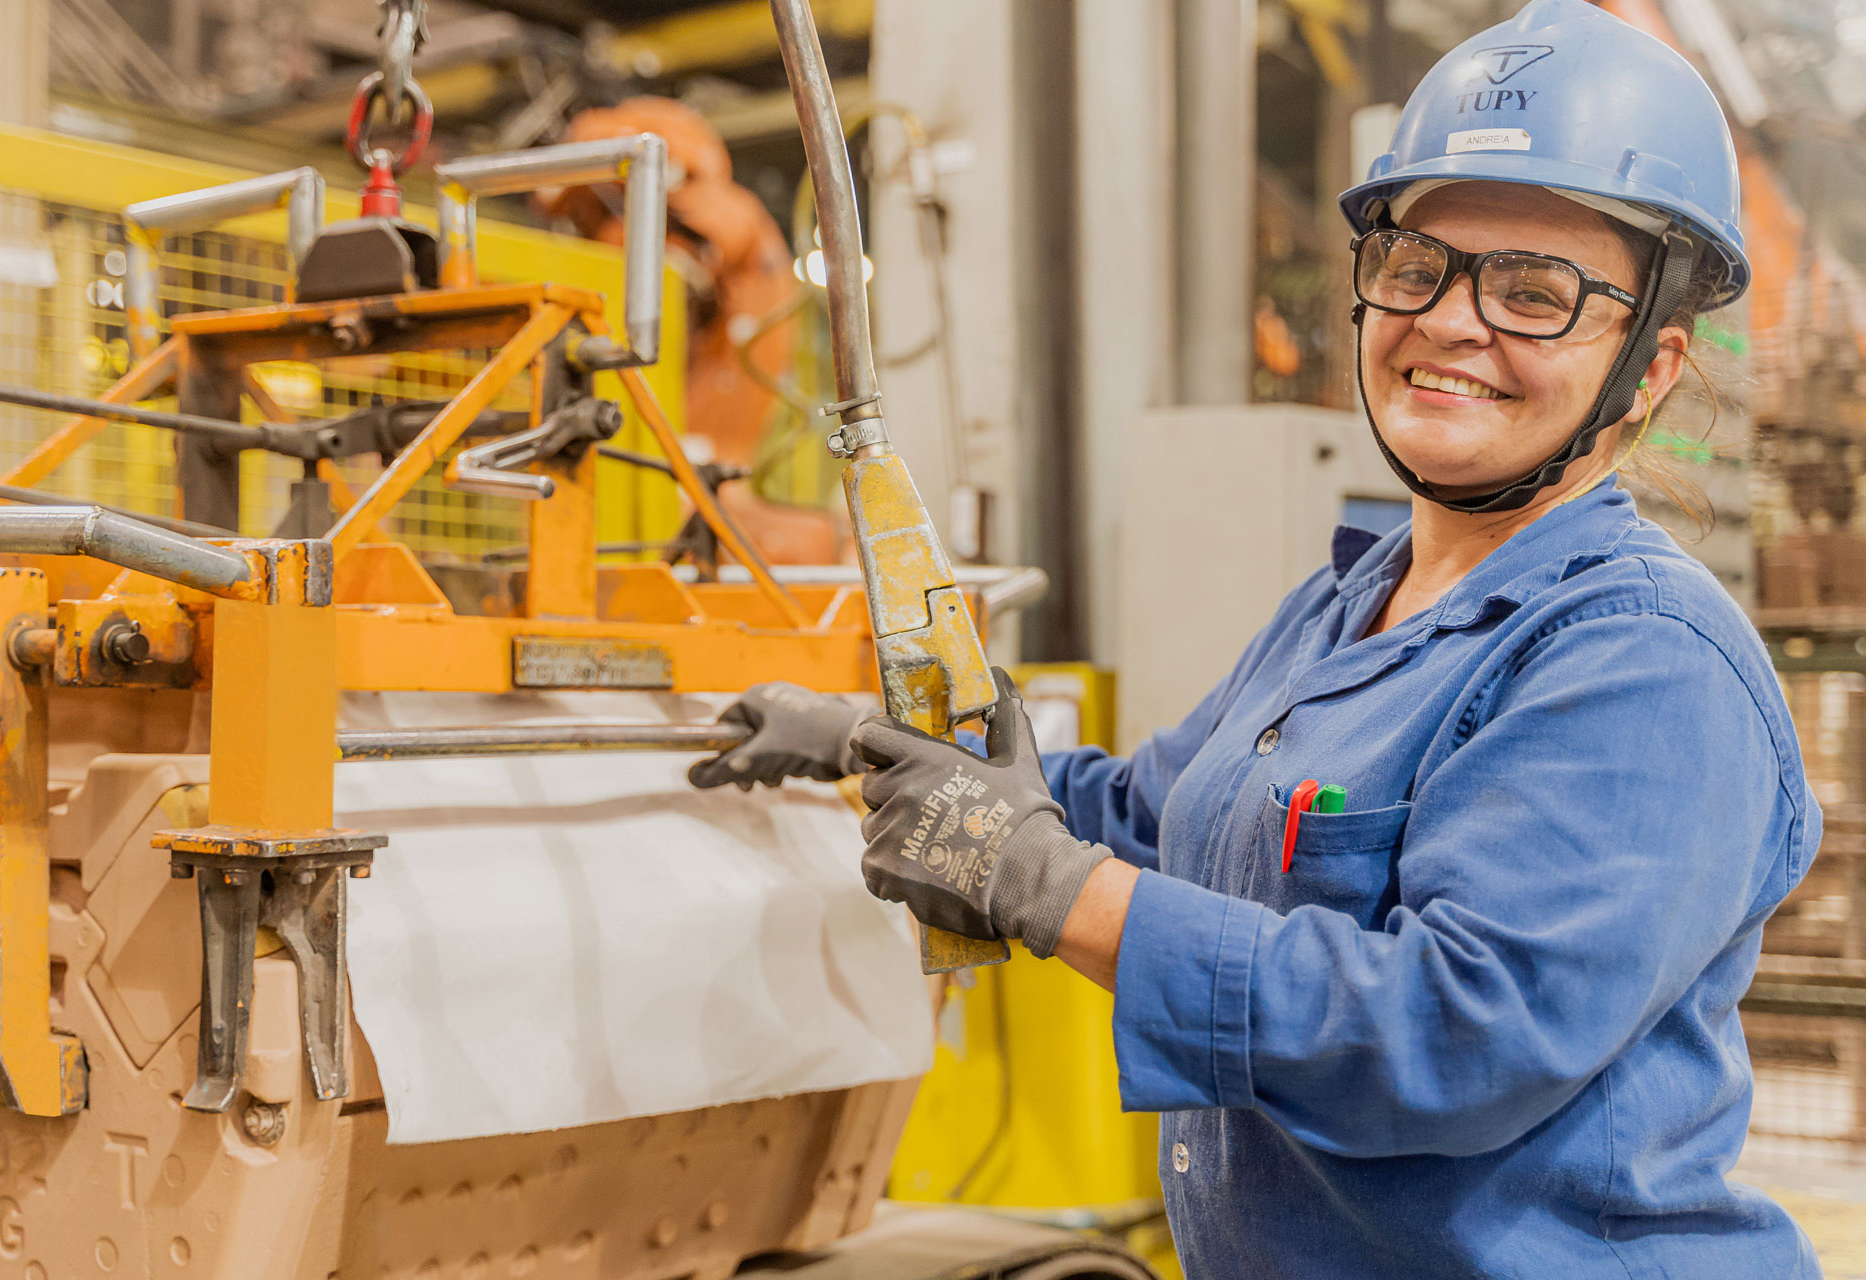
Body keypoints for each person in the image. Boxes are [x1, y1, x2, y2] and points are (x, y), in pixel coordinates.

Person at [692, 1, 1822, 1274]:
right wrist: (874, 750)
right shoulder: (1347, 605)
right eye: (1418, 267)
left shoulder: (1644, 659)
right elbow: (1150, 816)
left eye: (1535, 291)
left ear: (1653, 368)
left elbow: (1451, 1035)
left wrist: (1047, 885)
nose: (1453, 321)